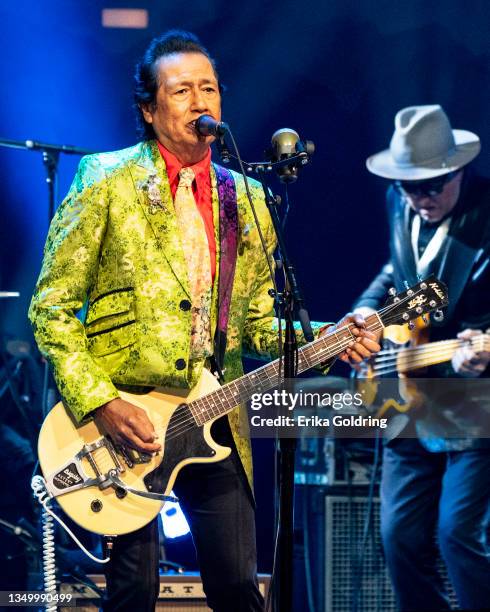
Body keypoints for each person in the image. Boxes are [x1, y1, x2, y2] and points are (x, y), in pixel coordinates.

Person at [29, 31, 379, 612]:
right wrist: (102, 404)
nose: (200, 102)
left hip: (215, 418)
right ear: (149, 108)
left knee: (241, 588)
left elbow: (264, 325)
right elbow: (51, 307)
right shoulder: (106, 180)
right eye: (182, 90)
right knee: (133, 592)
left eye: (209, 88)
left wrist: (331, 335)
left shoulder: (248, 197)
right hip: (124, 426)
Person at [353, 105, 490, 612]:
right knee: (401, 540)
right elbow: (397, 269)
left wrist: (481, 354)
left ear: (459, 171)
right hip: (407, 396)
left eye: (432, 186)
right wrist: (366, 313)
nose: (420, 198)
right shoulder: (401, 202)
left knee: (458, 534)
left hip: (475, 399)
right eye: (409, 187)